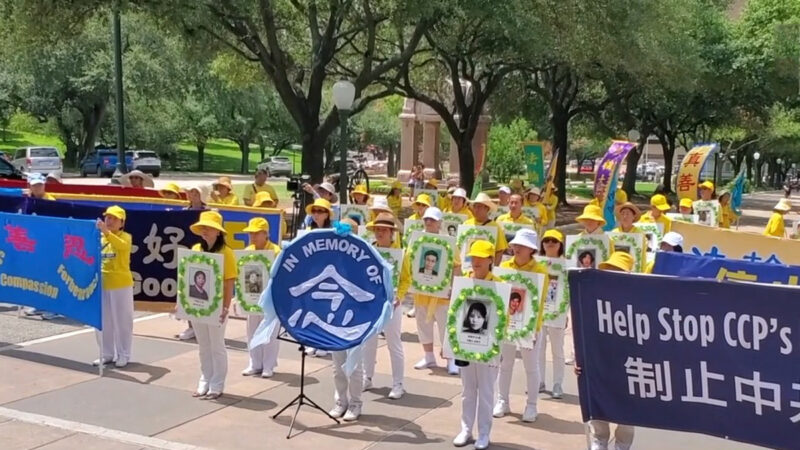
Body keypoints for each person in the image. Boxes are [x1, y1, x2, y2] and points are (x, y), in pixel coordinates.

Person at [578, 251, 636, 450]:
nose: (611, 275)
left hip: (630, 365)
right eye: (609, 270)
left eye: (617, 271)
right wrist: (579, 360)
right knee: (598, 408)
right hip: (599, 363)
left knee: (628, 414)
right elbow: (584, 332)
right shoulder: (591, 298)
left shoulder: (639, 302)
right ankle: (599, 441)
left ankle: (622, 445)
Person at [400, 206, 461, 375]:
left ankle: (451, 359)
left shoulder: (449, 242)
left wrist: (453, 288)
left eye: (432, 220)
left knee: (445, 327)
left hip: (442, 295)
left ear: (439, 222)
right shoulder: (417, 240)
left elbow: (457, 267)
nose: (428, 222)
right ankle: (428, 356)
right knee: (423, 325)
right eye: (426, 219)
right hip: (421, 292)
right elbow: (409, 262)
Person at [495, 228, 548, 422]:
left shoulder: (540, 271)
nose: (517, 248)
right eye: (516, 244)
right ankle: (502, 400)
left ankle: (532, 405)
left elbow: (540, 303)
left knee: (531, 366)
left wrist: (534, 329)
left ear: (531, 250)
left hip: (530, 326)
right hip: (507, 324)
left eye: (523, 246)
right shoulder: (505, 267)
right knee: (505, 363)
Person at [454, 240, 502, 450]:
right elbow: (454, 314)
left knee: (486, 390)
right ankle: (466, 429)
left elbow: (503, 319)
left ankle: (484, 432)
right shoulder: (464, 282)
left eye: (481, 257)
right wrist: (450, 343)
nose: (476, 262)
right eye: (473, 257)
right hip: (466, 344)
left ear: (491, 260)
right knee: (467, 389)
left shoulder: (499, 285)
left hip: (488, 347)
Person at [189, 211, 237, 400]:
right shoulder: (195, 249)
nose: (205, 231)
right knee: (203, 345)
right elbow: (187, 276)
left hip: (216, 305)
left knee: (216, 344)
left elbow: (229, 282)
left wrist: (225, 307)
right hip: (197, 304)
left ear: (218, 231)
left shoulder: (226, 252)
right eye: (203, 228)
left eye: (209, 228)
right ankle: (205, 379)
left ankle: (217, 383)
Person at [362, 212, 406, 399]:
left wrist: (400, 297)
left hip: (392, 304)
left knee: (393, 343)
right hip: (371, 303)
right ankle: (367, 376)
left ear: (391, 232)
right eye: (377, 230)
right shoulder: (369, 250)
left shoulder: (402, 253)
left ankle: (398, 383)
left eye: (384, 230)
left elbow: (406, 279)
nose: (380, 233)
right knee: (368, 342)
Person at [93, 205, 134, 368]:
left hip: (120, 285)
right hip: (102, 284)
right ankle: (106, 353)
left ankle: (124, 354)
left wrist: (106, 232)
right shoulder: (99, 238)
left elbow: (121, 246)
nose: (109, 221)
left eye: (113, 218)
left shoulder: (126, 237)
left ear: (121, 223)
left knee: (122, 321)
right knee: (103, 321)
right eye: (107, 217)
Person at [241, 217, 282, 378]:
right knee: (252, 330)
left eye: (256, 233)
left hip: (271, 299)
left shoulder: (276, 251)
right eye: (251, 233)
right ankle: (254, 363)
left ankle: (268, 365)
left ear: (266, 234)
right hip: (252, 297)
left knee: (270, 333)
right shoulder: (247, 251)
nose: (252, 236)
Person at [538, 229, 567, 398]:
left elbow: (566, 291)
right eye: (546, 240)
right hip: (540, 313)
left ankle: (558, 383)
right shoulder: (536, 264)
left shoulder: (566, 266)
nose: (550, 243)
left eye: (554, 241)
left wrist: (566, 312)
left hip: (557, 313)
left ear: (560, 245)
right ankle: (540, 381)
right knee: (539, 349)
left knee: (557, 350)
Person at [304, 199, 333, 358]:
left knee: (326, 309)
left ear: (327, 214)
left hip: (328, 275)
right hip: (312, 274)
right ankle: (312, 342)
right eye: (314, 211)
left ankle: (325, 343)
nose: (316, 214)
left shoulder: (333, 231)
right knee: (312, 309)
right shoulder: (308, 230)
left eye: (320, 211)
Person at [465, 193, 509, 264]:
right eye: (475, 206)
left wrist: (493, 268)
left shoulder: (496, 227)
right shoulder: (466, 224)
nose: (476, 209)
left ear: (487, 208)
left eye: (479, 207)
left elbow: (500, 250)